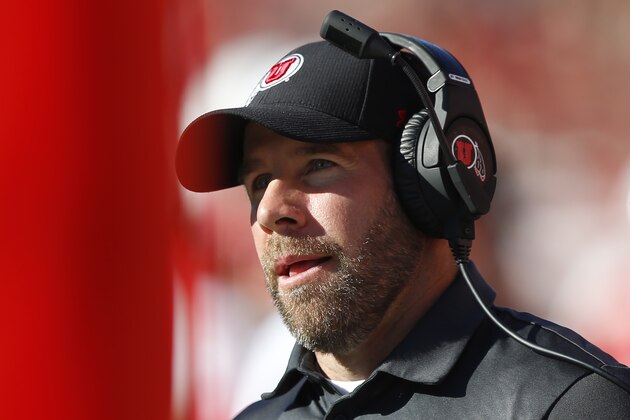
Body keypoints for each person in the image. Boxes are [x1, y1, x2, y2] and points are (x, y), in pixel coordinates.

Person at [175, 30, 630, 419]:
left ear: (427, 182)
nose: (271, 211)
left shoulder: (570, 404)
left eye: (318, 163)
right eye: (256, 182)